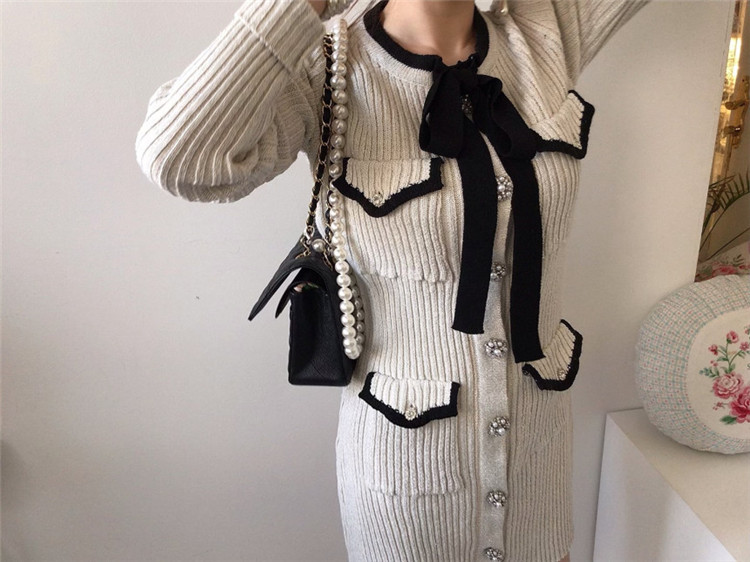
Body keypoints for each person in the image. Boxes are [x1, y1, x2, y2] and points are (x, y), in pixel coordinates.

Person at [135, 1, 651, 560]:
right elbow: (179, 159)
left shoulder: (542, 33)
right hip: (406, 484)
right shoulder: (326, 66)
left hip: (537, 471)